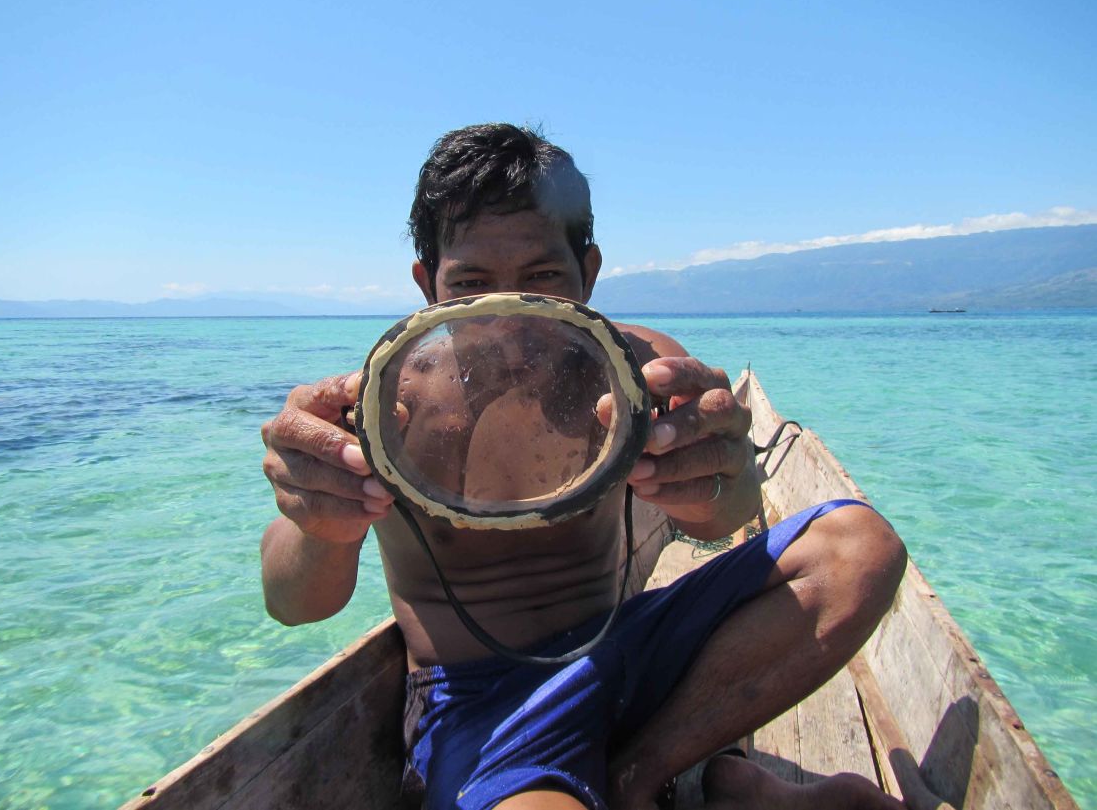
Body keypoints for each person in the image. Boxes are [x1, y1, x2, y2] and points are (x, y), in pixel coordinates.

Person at [260, 124, 908, 810]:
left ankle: (636, 774)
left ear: (588, 272)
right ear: (428, 284)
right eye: (472, 284)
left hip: (626, 651)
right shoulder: (384, 402)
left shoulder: (638, 370)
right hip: (484, 706)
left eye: (542, 279)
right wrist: (319, 516)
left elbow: (727, 513)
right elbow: (293, 600)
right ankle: (732, 787)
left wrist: (720, 471)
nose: (513, 319)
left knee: (858, 550)